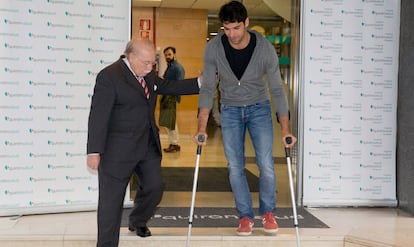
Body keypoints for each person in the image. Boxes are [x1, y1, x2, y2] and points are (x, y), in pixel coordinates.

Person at [195, 1, 297, 236]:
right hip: (230, 109)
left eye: (236, 28)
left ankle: (268, 213)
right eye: (227, 29)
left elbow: (277, 89)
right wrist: (202, 126)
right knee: (234, 167)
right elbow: (208, 88)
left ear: (247, 24)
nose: (231, 34)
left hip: (259, 108)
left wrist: (285, 129)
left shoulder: (264, 49)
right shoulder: (213, 48)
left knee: (266, 165)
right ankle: (245, 216)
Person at [86, 38, 200, 247]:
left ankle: (137, 220)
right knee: (111, 204)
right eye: (146, 63)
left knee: (155, 187)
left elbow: (169, 86)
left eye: (153, 64)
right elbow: (98, 116)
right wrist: (94, 151)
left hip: (146, 145)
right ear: (131, 57)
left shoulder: (147, 75)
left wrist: (199, 83)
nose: (150, 68)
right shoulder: (110, 76)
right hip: (117, 151)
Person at [158, 46, 185, 152]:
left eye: (169, 54)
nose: (167, 57)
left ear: (174, 54)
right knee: (169, 122)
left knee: (171, 122)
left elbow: (179, 84)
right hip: (167, 96)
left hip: (171, 97)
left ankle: (175, 144)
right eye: (166, 55)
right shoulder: (171, 66)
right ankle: (173, 143)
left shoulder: (177, 67)